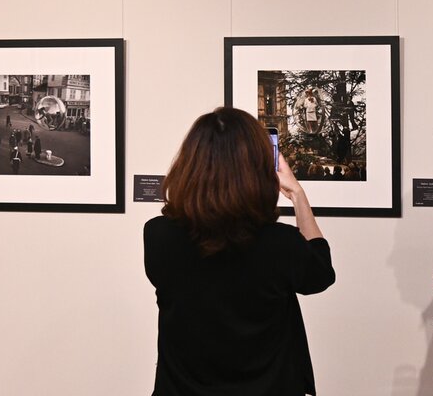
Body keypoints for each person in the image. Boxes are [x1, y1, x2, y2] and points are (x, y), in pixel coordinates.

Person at [144, 107, 335, 396]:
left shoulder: (158, 236)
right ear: (257, 169)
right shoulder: (280, 243)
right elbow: (320, 274)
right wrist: (297, 194)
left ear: (190, 165)